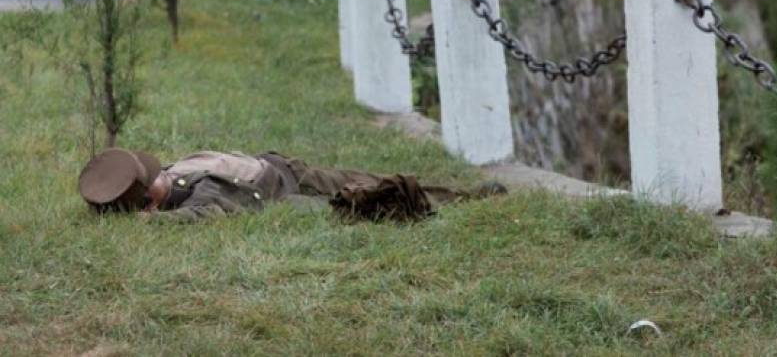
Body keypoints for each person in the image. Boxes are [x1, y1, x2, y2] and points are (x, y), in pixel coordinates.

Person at [78, 148, 506, 222]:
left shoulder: (174, 172)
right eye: (152, 178)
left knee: (369, 177)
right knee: (383, 197)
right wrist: (154, 223)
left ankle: (464, 193)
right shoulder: (193, 202)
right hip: (287, 194)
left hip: (288, 167)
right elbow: (204, 215)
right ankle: (458, 204)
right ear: (147, 202)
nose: (161, 173)